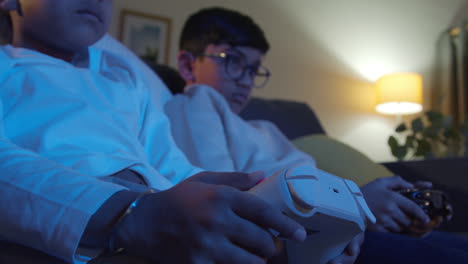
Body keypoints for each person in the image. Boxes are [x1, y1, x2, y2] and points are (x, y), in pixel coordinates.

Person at [0, 1, 309, 264]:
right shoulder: (6, 66)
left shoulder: (122, 79)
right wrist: (125, 214)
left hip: (162, 216)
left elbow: (171, 165)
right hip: (76, 230)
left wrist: (247, 203)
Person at [164, 6, 468, 264]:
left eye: (254, 69)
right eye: (232, 61)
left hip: (341, 225)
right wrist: (360, 206)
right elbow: (217, 196)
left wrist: (392, 213)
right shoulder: (195, 102)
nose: (245, 80)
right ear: (188, 64)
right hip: (306, 239)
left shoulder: (265, 129)